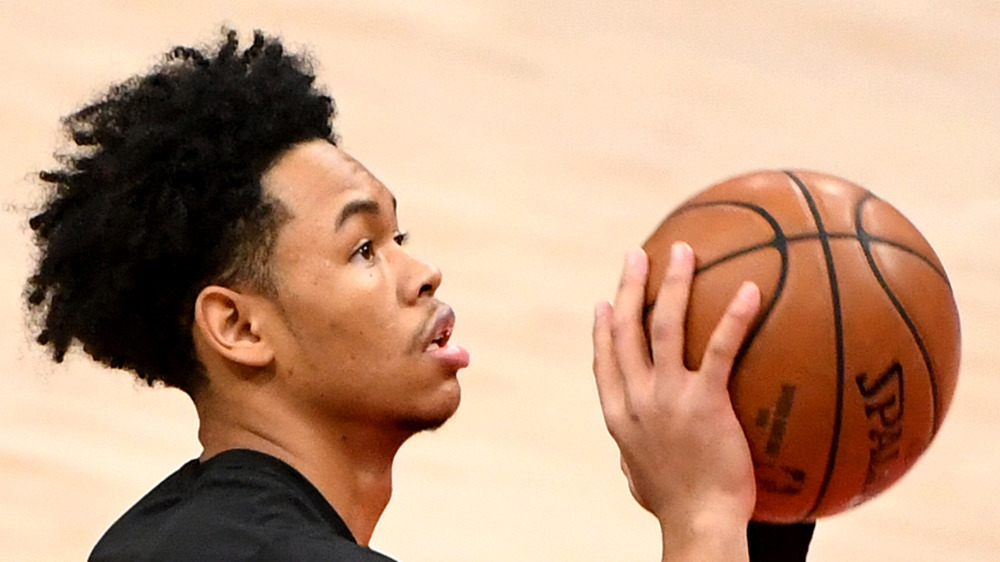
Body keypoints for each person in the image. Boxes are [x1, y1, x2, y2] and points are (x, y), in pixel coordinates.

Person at [25, 30, 813, 561]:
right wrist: (701, 516)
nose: (421, 272)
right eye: (363, 248)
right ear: (237, 325)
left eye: (401, 237)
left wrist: (759, 506)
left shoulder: (196, 533)